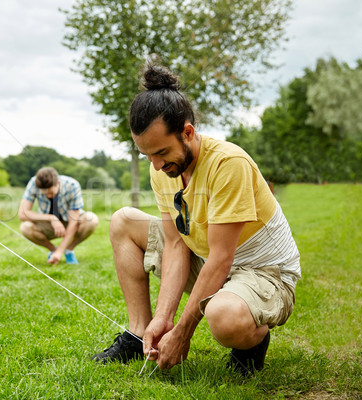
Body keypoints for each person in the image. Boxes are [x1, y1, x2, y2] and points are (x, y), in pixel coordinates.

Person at [91, 63, 301, 376]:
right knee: (123, 220)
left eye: (161, 152)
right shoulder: (162, 168)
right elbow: (176, 243)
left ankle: (251, 339)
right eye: (148, 155)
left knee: (223, 316)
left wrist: (182, 333)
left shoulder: (228, 164)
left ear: (188, 132)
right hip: (207, 259)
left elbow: (221, 259)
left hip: (262, 272)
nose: (157, 164)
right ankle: (139, 334)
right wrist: (163, 318)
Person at [19, 167, 98, 265]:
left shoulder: (72, 185)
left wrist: (61, 251)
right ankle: (52, 251)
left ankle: (68, 250)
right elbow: (22, 214)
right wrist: (51, 218)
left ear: (58, 183)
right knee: (25, 227)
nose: (48, 196)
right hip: (48, 223)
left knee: (92, 219)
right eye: (45, 194)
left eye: (51, 193)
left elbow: (73, 222)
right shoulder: (33, 183)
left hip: (70, 220)